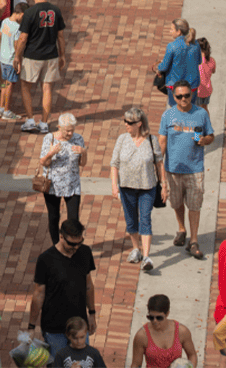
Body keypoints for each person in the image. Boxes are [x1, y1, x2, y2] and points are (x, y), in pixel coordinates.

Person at [158, 80, 213, 260]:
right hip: (173, 169)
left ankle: (194, 240)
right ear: (173, 97)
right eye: (179, 96)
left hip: (195, 168)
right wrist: (160, 171)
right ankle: (182, 229)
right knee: (176, 203)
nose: (183, 99)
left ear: (192, 95)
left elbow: (211, 135)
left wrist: (205, 140)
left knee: (194, 205)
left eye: (187, 95)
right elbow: (162, 142)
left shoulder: (201, 114)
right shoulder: (168, 116)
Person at [28, 219, 97, 360]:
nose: (76, 247)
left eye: (79, 242)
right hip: (54, 328)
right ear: (61, 236)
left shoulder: (85, 252)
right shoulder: (46, 260)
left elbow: (88, 285)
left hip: (79, 325)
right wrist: (31, 327)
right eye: (71, 243)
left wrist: (92, 313)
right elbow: (38, 295)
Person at [110, 106, 166, 272]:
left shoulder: (151, 140)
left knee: (145, 219)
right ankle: (136, 249)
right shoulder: (122, 139)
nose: (126, 124)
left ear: (139, 123)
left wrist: (164, 185)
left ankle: (147, 256)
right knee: (131, 220)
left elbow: (159, 163)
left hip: (147, 187)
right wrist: (114, 185)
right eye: (125, 121)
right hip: (126, 187)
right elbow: (114, 164)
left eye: (130, 122)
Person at [13, 0, 67, 134]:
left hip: (32, 56)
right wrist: (62, 55)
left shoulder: (29, 12)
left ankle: (30, 120)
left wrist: (17, 56)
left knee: (25, 86)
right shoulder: (55, 10)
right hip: (51, 55)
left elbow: (23, 38)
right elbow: (61, 36)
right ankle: (44, 123)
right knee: (47, 88)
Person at [39, 113, 87, 246]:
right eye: (67, 130)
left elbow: (82, 164)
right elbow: (43, 162)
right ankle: (57, 246)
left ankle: (73, 245)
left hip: (72, 184)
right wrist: (51, 153)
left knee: (73, 219)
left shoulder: (78, 139)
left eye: (72, 129)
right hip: (53, 185)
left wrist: (83, 152)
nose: (70, 133)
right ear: (59, 127)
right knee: (54, 217)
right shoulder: (50, 139)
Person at [130, 294, 198, 367]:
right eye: (151, 317)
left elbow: (192, 355)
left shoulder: (181, 331)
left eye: (159, 318)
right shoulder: (142, 336)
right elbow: (136, 364)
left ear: (167, 314)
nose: (154, 321)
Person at [154, 19, 201, 105]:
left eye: (172, 29)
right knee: (191, 109)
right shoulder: (196, 44)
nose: (170, 31)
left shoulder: (172, 46)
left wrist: (158, 67)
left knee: (176, 110)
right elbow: (199, 61)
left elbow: (164, 67)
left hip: (175, 86)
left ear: (178, 31)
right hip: (192, 85)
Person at [0, 1, 27, 121]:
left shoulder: (5, 21)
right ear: (20, 14)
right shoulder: (17, 28)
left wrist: (0, 52)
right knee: (10, 85)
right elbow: (17, 45)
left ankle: (1, 107)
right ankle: (7, 111)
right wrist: (18, 59)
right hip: (11, 60)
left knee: (4, 83)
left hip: (3, 58)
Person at [196, 37, 216, 108]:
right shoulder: (212, 60)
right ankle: (207, 119)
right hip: (208, 90)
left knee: (196, 110)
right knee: (205, 107)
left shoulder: (196, 62)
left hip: (198, 91)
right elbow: (213, 71)